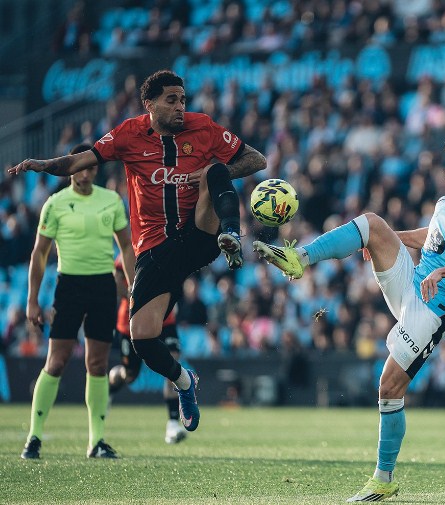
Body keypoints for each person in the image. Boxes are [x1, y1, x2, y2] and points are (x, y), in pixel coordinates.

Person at [9, 69, 267, 433]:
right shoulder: (128, 134)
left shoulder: (204, 127)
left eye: (183, 100)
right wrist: (43, 165)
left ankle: (230, 234)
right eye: (171, 100)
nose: (180, 107)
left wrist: (217, 170)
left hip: (199, 235)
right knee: (142, 336)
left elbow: (257, 160)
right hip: (155, 248)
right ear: (150, 104)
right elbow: (80, 161)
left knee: (214, 171)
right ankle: (184, 382)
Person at [254, 135, 445, 502]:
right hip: (413, 283)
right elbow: (433, 237)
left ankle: (383, 479)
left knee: (389, 388)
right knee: (371, 224)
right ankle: (299, 258)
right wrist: (389, 239)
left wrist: (442, 272)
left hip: (434, 309)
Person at [21, 143, 135, 459]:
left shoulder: (111, 200)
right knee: (56, 361)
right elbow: (40, 253)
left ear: (96, 170)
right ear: (71, 168)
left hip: (102, 288)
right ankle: (34, 437)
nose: (85, 173)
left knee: (97, 364)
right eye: (80, 167)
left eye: (91, 167)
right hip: (69, 287)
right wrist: (32, 299)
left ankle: (96, 441)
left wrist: (132, 286)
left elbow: (126, 247)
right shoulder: (55, 204)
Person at [108, 255, 187, 444]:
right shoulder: (128, 253)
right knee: (129, 374)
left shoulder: (169, 247)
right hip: (133, 321)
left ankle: (172, 424)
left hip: (165, 318)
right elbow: (117, 283)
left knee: (172, 362)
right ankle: (109, 386)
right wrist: (136, 296)